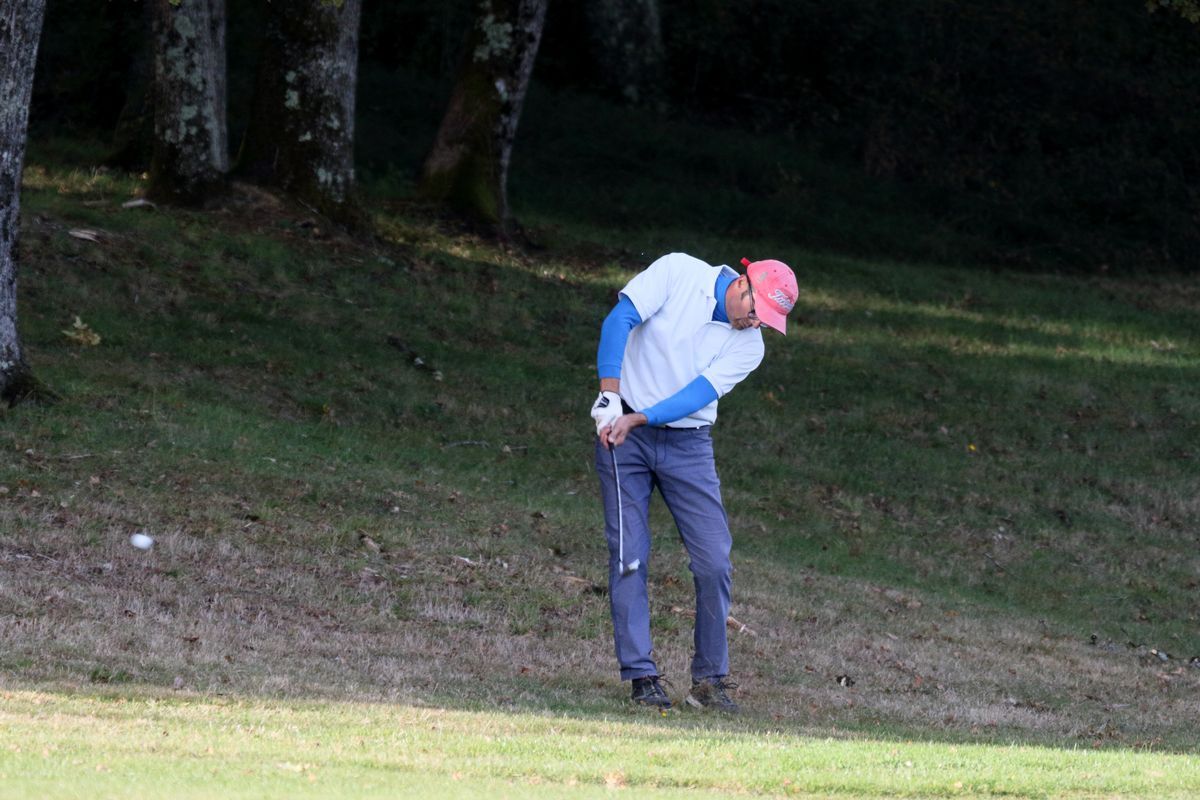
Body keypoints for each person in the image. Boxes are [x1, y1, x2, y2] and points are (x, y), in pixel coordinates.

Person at [590, 252, 798, 712]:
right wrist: (610, 396)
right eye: (757, 312)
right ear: (743, 284)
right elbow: (620, 319)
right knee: (629, 555)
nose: (756, 324)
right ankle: (641, 675)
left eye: (766, 321)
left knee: (714, 561)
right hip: (623, 432)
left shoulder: (750, 347)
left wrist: (642, 417)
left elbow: (697, 394)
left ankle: (709, 679)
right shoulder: (679, 272)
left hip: (688, 445)